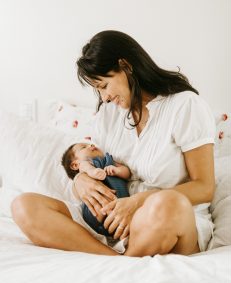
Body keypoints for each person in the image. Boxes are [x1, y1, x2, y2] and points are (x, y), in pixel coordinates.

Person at [11, 30, 216, 257]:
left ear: (125, 66)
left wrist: (138, 202)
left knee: (169, 203)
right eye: (97, 90)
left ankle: (125, 260)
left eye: (104, 85)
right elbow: (93, 162)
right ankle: (115, 260)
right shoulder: (109, 114)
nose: (104, 97)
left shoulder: (185, 106)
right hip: (113, 224)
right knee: (23, 205)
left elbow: (205, 187)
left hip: (166, 221)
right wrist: (80, 180)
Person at [61, 141, 130, 237]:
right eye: (84, 147)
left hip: (122, 207)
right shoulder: (85, 166)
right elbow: (86, 167)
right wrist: (93, 171)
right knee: (98, 206)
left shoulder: (109, 160)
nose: (91, 145)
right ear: (75, 165)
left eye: (90, 144)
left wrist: (117, 171)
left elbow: (127, 172)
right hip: (95, 212)